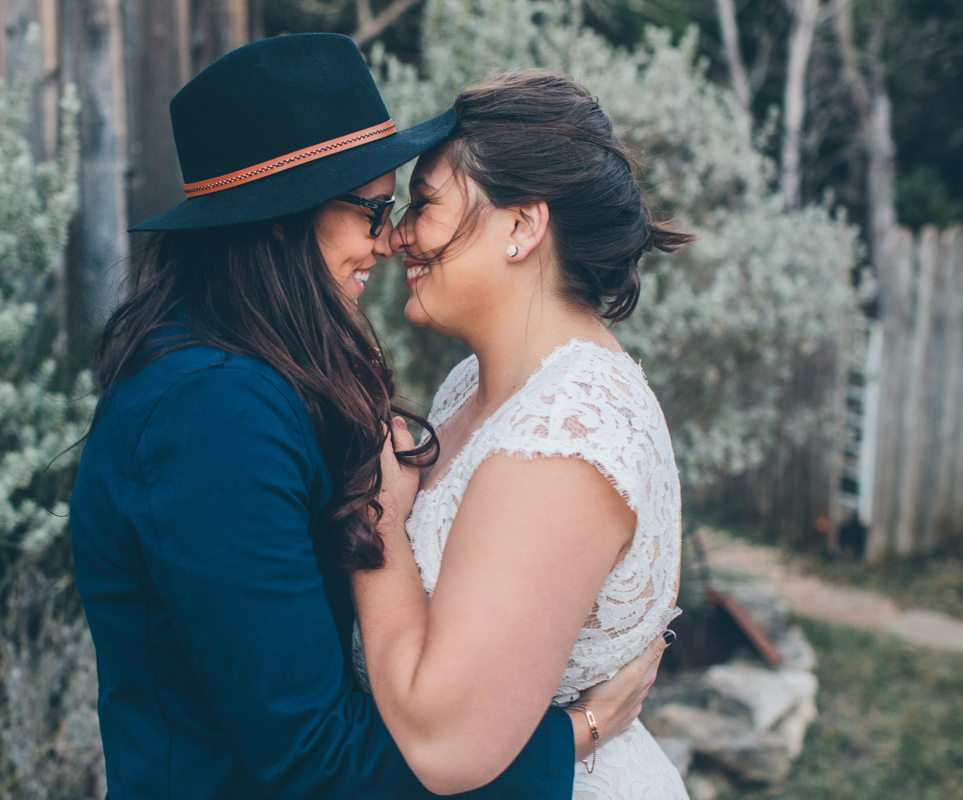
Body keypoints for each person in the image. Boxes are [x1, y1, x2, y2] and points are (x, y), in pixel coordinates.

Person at [69, 36, 671, 800]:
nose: (389, 240)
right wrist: (577, 736)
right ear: (284, 220)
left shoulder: (250, 372)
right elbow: (311, 758)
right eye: (376, 209)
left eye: (408, 208)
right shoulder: (210, 412)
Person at [350, 70, 695, 799]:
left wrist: (373, 517)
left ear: (522, 227)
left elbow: (445, 744)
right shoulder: (472, 386)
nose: (399, 236)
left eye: (425, 204)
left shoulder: (568, 436)